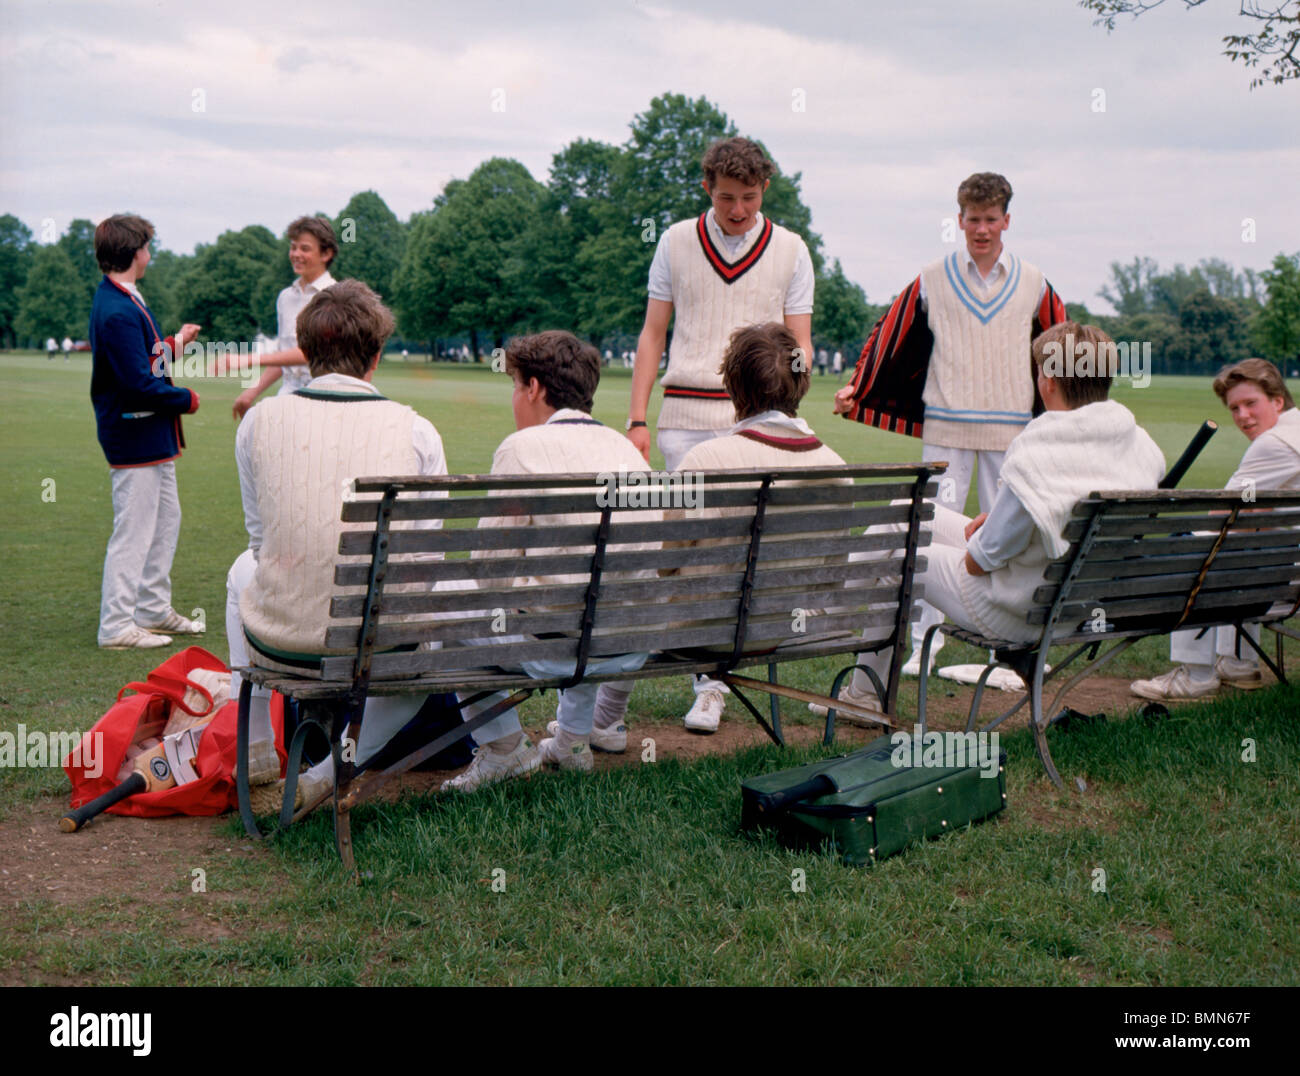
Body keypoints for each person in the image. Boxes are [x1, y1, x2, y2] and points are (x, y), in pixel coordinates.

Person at [827, 322, 1165, 714]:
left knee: (899, 557)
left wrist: (991, 533)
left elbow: (977, 563)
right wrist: (1003, 519)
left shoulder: (1039, 448)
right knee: (908, 515)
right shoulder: (1139, 445)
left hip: (1017, 610)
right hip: (1077, 604)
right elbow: (1067, 511)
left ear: (1049, 381)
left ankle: (861, 688)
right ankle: (835, 609)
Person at [225, 279, 449, 809]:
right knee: (424, 647)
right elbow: (427, 558)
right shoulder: (416, 430)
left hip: (283, 636)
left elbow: (260, 543)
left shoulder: (258, 421)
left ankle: (258, 752)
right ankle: (327, 773)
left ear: (306, 355)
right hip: (381, 643)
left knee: (240, 568)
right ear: (375, 358)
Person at [833, 172, 1068, 675]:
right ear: (958, 220)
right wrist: (858, 384)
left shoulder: (1033, 282)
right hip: (946, 428)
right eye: (972, 220)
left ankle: (1007, 652)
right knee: (927, 532)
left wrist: (1067, 413)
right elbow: (891, 331)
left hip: (1010, 433)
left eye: (990, 220)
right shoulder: (933, 278)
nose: (981, 230)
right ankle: (922, 644)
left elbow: (1060, 345)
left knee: (1009, 534)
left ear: (1007, 220)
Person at [619, 135, 815, 732]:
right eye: (727, 198)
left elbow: (799, 345)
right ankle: (636, 690)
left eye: (750, 198)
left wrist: (794, 402)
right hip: (683, 418)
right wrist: (636, 420)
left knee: (734, 560)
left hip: (757, 423)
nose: (738, 211)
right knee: (676, 561)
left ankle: (709, 684)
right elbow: (653, 336)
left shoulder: (791, 250)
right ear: (707, 188)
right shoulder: (677, 240)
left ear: (766, 190)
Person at [441, 331, 656, 791]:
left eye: (516, 386)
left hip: (554, 648)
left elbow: (486, 568)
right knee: (586, 594)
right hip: (626, 645)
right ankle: (572, 742)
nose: (515, 400)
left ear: (535, 388)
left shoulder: (522, 448)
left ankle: (504, 748)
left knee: (444, 605)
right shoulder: (628, 451)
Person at [665, 323, 854, 730]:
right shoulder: (837, 470)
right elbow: (830, 576)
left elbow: (667, 562)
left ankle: (600, 724)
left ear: (734, 386)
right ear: (801, 382)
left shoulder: (705, 460)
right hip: (787, 626)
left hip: (706, 631)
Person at [1131, 358, 1300, 701]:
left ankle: (1196, 675)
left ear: (1278, 401)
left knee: (1198, 546)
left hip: (1288, 576)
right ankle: (1238, 664)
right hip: (1287, 565)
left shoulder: (1275, 444)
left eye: (1251, 403)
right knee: (1244, 540)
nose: (1242, 416)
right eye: (1234, 408)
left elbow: (1219, 514)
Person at [90, 214, 203, 649]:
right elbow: (137, 382)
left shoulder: (122, 298)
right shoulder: (117, 308)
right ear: (135, 252)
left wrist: (174, 344)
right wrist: (186, 400)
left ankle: (152, 607)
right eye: (148, 245)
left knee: (165, 521)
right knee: (134, 531)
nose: (150, 252)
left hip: (150, 436)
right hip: (134, 434)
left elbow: (142, 358)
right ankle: (116, 626)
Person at [231, 216, 337, 419]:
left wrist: (249, 360)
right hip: (288, 396)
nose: (296, 254)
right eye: (293, 247)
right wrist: (251, 392)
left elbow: (312, 352)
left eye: (305, 249)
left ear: (326, 254)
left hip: (324, 399)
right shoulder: (285, 298)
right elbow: (283, 355)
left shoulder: (334, 295)